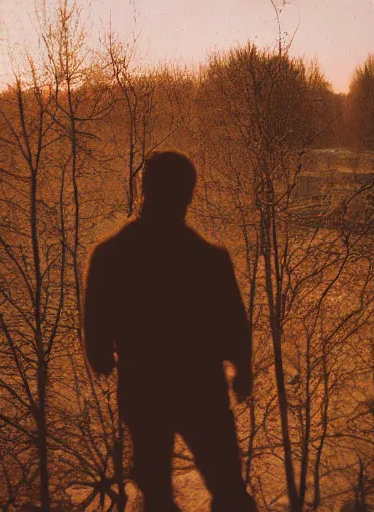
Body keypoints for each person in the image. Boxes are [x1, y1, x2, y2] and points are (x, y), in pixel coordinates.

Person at [84, 151, 256, 512]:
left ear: (145, 188)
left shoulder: (109, 256)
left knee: (158, 497)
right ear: (188, 194)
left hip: (144, 391)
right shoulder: (210, 259)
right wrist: (242, 370)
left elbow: (98, 342)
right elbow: (235, 328)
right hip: (202, 390)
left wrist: (103, 355)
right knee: (228, 489)